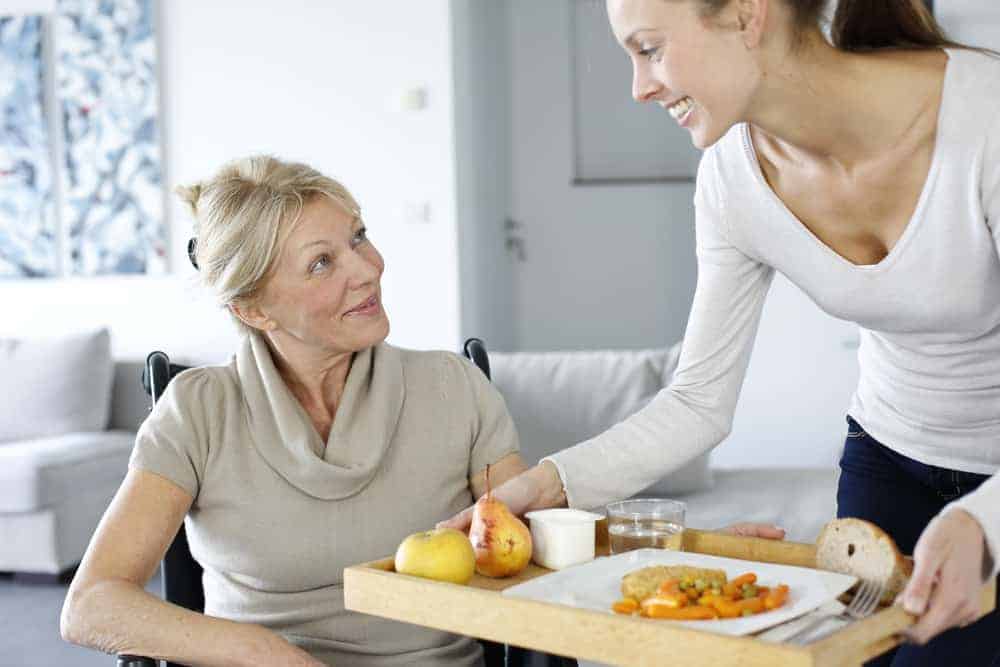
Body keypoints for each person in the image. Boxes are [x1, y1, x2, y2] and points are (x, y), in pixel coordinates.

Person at [441, 1, 1000, 664]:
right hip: (888, 459)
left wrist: (983, 520)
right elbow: (698, 400)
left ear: (745, 15)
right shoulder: (733, 180)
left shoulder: (983, 121)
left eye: (649, 48)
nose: (638, 86)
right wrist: (542, 485)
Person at [58, 156, 532, 667]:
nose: (369, 269)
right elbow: (91, 604)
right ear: (254, 309)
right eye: (322, 263)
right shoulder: (199, 410)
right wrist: (260, 650)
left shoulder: (453, 388)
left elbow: (533, 562)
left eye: (357, 237)